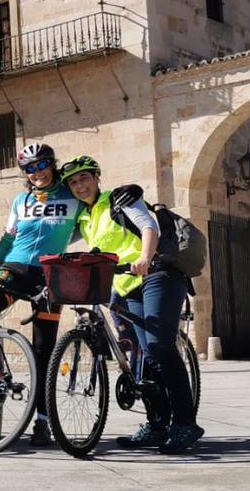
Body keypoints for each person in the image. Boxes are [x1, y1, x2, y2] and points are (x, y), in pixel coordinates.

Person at [59, 155, 203, 454]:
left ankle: (186, 424)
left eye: (84, 178)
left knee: (159, 346)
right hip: (124, 285)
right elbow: (57, 239)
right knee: (143, 354)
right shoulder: (83, 218)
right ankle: (157, 424)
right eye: (73, 182)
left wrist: (145, 258)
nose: (79, 185)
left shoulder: (119, 199)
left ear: (97, 177)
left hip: (157, 273)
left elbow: (149, 227)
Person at [0, 143, 83, 447]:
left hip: (50, 273)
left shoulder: (72, 197)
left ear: (52, 165)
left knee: (44, 348)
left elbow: (90, 220)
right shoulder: (20, 200)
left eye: (41, 165)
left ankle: (42, 421)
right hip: (14, 267)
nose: (36, 172)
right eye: (29, 168)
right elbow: (7, 239)